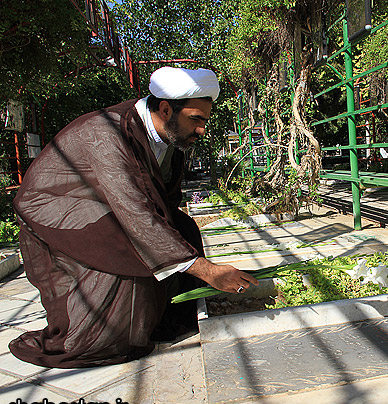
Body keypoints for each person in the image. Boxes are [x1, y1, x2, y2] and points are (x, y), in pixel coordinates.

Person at [9, 67, 258, 368]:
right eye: (196, 119)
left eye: (204, 120)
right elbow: (135, 211)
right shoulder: (107, 133)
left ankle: (166, 322)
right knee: (124, 249)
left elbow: (162, 199)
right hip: (58, 207)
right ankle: (102, 336)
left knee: (183, 229)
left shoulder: (170, 137)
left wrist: (177, 247)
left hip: (107, 204)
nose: (202, 129)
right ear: (166, 109)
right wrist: (207, 271)